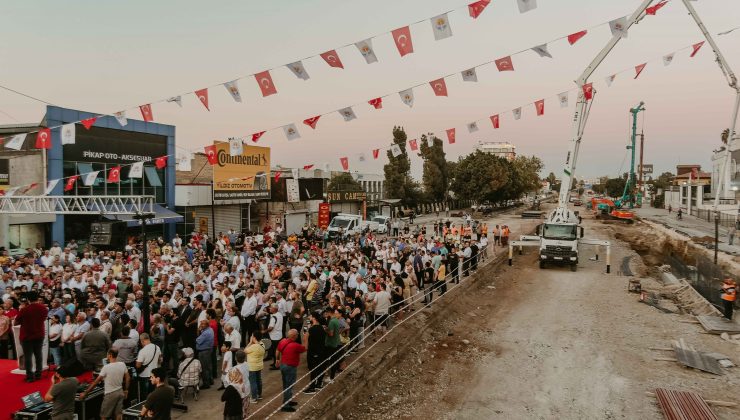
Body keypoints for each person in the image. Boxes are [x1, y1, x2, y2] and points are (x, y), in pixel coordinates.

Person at [80, 348, 130, 420]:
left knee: (104, 416)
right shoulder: (122, 364)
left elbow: (96, 382)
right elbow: (128, 378)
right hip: (120, 392)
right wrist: (126, 390)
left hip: (110, 394)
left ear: (109, 355)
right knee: (118, 414)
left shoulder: (106, 367)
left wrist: (85, 393)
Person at [14, 291, 48, 382]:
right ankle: (38, 374)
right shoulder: (44, 308)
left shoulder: (25, 309)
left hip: (27, 335)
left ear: (28, 299)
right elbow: (44, 318)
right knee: (38, 355)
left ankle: (30, 376)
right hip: (39, 334)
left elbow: (16, 322)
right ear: (37, 298)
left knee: (28, 357)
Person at [275, 329, 307, 412]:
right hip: (290, 367)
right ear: (294, 336)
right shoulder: (295, 345)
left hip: (283, 365)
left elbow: (277, 350)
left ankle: (287, 400)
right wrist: (305, 338)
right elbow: (305, 348)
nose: (297, 336)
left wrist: (277, 359)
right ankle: (286, 405)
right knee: (289, 386)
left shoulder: (282, 341)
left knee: (286, 385)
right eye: (297, 334)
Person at [304, 311, 326, 394]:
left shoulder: (311, 329)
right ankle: (319, 384)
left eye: (310, 317)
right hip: (321, 351)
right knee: (320, 368)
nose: (309, 318)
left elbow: (305, 341)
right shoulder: (321, 327)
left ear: (314, 318)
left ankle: (312, 387)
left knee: (313, 369)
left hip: (313, 352)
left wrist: (306, 349)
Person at [136, 333, 161, 399]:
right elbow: (160, 360)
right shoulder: (157, 347)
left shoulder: (142, 351)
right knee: (152, 394)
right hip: (154, 375)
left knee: (144, 396)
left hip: (144, 376)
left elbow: (138, 365)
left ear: (142, 340)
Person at [245, 333, 265, 403]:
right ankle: (259, 395)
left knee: (253, 382)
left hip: (252, 367)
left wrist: (250, 342)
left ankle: (253, 398)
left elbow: (245, 350)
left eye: (252, 336)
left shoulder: (253, 347)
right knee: (258, 380)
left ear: (254, 338)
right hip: (259, 366)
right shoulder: (262, 344)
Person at [195, 319, 214, 389]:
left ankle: (206, 384)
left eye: (203, 324)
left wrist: (198, 330)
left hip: (204, 351)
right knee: (208, 366)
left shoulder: (206, 333)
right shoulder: (210, 330)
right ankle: (210, 380)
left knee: (204, 368)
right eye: (201, 324)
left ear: (207, 325)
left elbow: (197, 340)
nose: (201, 325)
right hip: (208, 350)